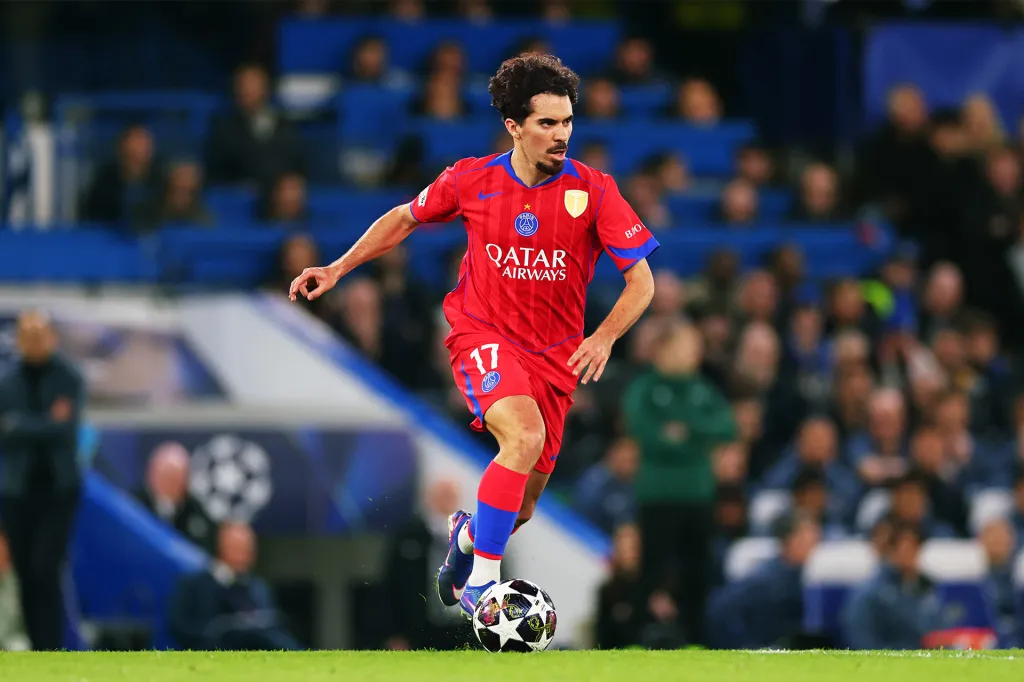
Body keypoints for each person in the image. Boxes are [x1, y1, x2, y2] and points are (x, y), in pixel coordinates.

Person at [288, 53, 658, 617]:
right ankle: (484, 585)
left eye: (567, 123)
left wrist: (604, 337)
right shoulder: (472, 179)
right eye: (547, 124)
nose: (562, 136)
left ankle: (466, 539)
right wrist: (338, 268)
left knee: (525, 505)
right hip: (483, 334)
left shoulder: (594, 191)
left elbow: (642, 282)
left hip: (555, 358)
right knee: (523, 437)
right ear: (514, 126)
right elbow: (404, 217)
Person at [622, 321, 736, 645]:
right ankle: (636, 636)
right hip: (657, 494)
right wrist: (691, 439)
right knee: (650, 570)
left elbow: (727, 427)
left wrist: (683, 431)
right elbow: (644, 431)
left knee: (697, 571)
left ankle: (696, 638)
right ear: (665, 349)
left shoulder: (703, 388)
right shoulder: (644, 387)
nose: (693, 354)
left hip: (699, 495)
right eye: (686, 346)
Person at [0, 310, 84, 651]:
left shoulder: (69, 377)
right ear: (19, 341)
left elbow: (66, 430)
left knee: (45, 568)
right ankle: (34, 648)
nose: (34, 342)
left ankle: (49, 648)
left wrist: (21, 425)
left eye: (40, 334)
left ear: (52, 337)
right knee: (22, 570)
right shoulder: (7, 382)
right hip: (18, 490)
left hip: (57, 490)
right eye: (27, 335)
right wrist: (46, 422)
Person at [168, 522, 299, 651]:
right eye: (238, 548)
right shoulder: (193, 585)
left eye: (249, 549)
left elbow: (272, 628)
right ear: (220, 547)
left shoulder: (258, 587)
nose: (245, 555)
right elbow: (182, 629)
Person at [135, 442, 216, 553]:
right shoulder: (133, 503)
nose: (169, 483)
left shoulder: (196, 514)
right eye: (165, 476)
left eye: (175, 478)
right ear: (151, 474)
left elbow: (203, 553)